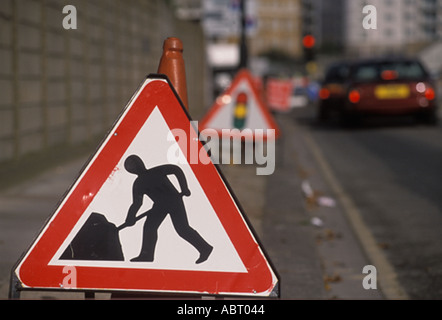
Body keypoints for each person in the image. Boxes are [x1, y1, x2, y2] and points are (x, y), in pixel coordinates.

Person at [123, 155, 213, 264]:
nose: (135, 167)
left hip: (173, 200)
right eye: (131, 167)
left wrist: (184, 187)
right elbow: (137, 203)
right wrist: (130, 217)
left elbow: (176, 170)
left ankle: (204, 248)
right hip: (159, 205)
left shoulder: (156, 171)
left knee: (182, 229)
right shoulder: (138, 184)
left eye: (134, 164)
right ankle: (146, 255)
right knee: (149, 227)